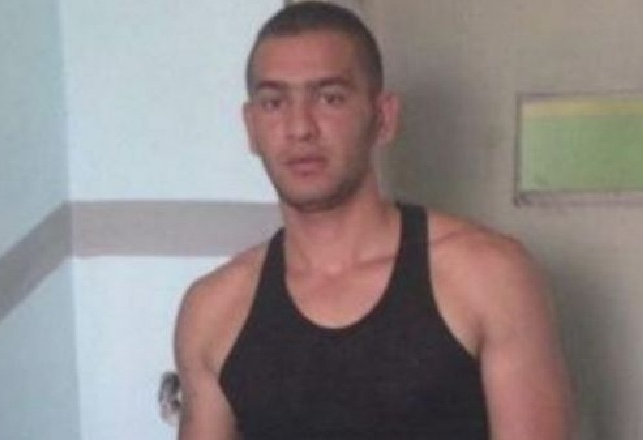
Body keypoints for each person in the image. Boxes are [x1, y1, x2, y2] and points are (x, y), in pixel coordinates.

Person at [174, 2, 572, 439]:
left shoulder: (488, 276)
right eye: (274, 103)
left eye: (329, 98)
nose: (300, 128)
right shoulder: (213, 310)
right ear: (251, 127)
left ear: (383, 117)